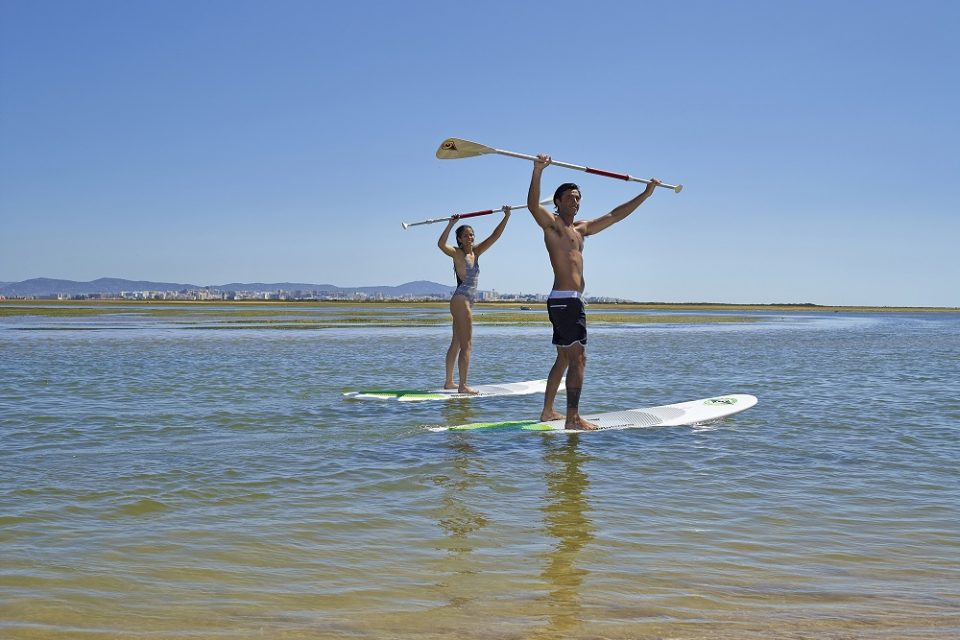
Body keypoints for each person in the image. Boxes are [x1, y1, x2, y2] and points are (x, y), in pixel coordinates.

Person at [528, 154, 660, 429]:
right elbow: (531, 205)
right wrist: (538, 170)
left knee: (564, 358)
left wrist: (645, 194)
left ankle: (548, 412)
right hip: (565, 302)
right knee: (579, 358)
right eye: (569, 197)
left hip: (570, 302)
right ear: (557, 202)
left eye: (578, 198)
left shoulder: (581, 229)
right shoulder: (552, 226)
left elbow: (614, 216)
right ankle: (573, 418)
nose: (574, 202)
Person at [437, 207, 511, 393]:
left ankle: (449, 382)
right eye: (467, 235)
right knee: (467, 344)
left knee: (456, 342)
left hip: (463, 302)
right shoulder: (457, 253)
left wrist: (506, 216)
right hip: (461, 300)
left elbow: (495, 236)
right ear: (460, 239)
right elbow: (440, 244)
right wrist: (450, 224)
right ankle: (463, 386)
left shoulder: (476, 253)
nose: (471, 237)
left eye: (472, 235)